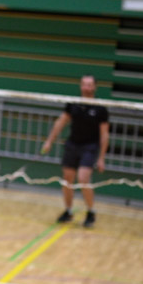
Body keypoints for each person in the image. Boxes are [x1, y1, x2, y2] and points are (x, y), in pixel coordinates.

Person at [41, 74, 110, 228]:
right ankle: (68, 211)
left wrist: (101, 157)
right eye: (84, 84)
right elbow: (61, 122)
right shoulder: (73, 104)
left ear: (94, 87)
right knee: (67, 178)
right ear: (80, 86)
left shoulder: (100, 108)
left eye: (89, 85)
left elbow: (104, 134)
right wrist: (49, 141)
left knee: (83, 178)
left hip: (90, 147)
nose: (86, 87)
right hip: (73, 145)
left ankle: (91, 211)